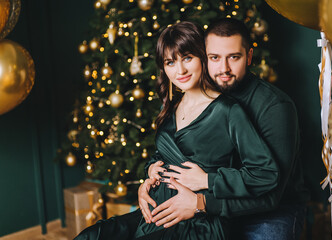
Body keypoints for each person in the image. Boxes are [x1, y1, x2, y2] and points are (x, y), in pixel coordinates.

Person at [74, 21, 279, 240]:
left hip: (198, 224)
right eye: (170, 62)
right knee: (91, 236)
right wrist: (150, 173)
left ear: (202, 57)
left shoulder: (229, 111)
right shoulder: (171, 106)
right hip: (156, 214)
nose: (179, 70)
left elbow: (266, 174)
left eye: (187, 58)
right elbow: (162, 155)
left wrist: (208, 180)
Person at [143, 18, 309, 240]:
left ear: (249, 57)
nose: (224, 69)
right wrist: (148, 179)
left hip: (269, 210)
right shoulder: (192, 97)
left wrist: (203, 201)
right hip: (212, 204)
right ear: (204, 57)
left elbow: (270, 194)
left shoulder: (274, 106)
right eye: (214, 58)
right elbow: (171, 152)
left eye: (234, 57)